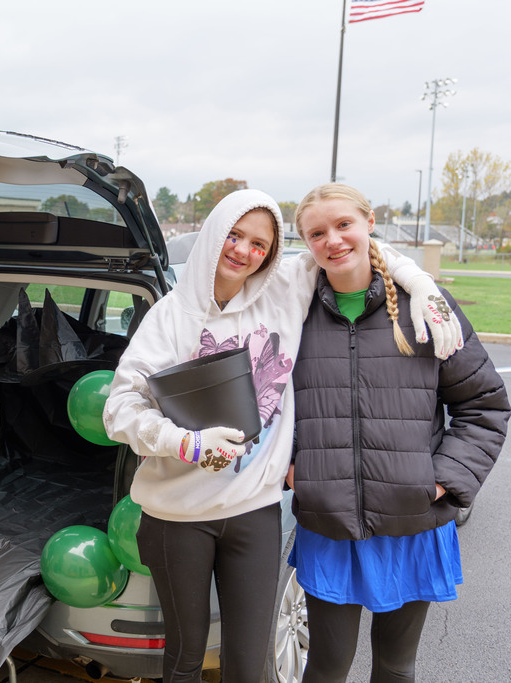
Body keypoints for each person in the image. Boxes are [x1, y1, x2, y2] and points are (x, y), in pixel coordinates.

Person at [103, 189, 462, 682]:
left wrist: (419, 283)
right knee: (185, 660)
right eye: (234, 235)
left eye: (259, 243)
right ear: (214, 235)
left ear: (271, 253)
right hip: (177, 515)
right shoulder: (169, 316)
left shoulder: (284, 290)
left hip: (255, 512)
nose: (244, 251)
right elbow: (119, 409)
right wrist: (185, 442)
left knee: (248, 666)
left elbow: (351, 246)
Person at [285, 183, 510, 682]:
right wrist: (289, 468)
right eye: (317, 232)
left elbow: (484, 404)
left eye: (343, 224)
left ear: (369, 222)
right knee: (324, 668)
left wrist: (442, 480)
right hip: (329, 526)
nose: (334, 240)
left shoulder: (426, 307)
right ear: (307, 244)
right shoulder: (292, 314)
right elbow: (264, 403)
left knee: (394, 667)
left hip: (414, 522)